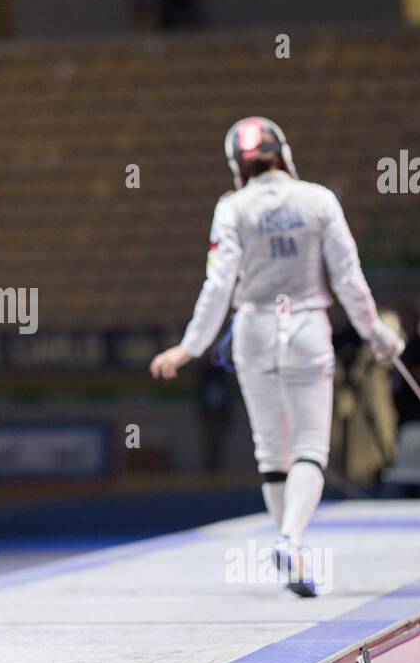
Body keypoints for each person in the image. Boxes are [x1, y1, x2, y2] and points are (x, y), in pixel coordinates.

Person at [150, 116, 403, 596]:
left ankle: (289, 547)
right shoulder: (318, 200)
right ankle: (291, 539)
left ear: (237, 165)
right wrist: (377, 335)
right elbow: (349, 277)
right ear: (282, 151)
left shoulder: (232, 208)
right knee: (309, 446)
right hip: (305, 324)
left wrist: (190, 346)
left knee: (272, 451)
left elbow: (218, 284)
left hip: (254, 329)